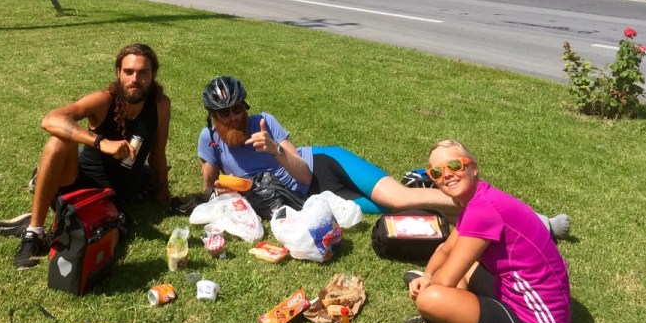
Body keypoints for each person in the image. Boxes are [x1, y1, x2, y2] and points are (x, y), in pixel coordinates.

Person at [197, 76, 461, 217]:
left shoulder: (264, 122)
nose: (232, 117)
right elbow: (210, 188)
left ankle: (472, 200)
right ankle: (431, 194)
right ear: (213, 115)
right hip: (311, 199)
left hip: (324, 164)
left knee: (397, 199)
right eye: (224, 113)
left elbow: (304, 174)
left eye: (236, 108)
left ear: (245, 105)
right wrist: (218, 191)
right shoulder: (209, 140)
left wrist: (275, 149)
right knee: (393, 209)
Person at [13, 43, 172, 269]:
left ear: (152, 74)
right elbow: (50, 120)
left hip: (115, 197)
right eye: (128, 72)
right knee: (58, 141)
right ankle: (34, 232)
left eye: (143, 72)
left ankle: (49, 197)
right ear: (118, 73)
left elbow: (157, 155)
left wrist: (165, 197)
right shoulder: (104, 100)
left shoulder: (160, 105)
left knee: (100, 240)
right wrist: (101, 142)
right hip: (79, 183)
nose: (135, 79)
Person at [405, 139, 570, 323]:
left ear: (473, 168)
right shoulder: (478, 199)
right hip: (518, 294)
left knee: (430, 299)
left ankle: (445, 321)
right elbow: (447, 249)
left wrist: (429, 289)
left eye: (455, 166)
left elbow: (446, 280)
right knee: (460, 265)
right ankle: (453, 312)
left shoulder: (482, 209)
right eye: (436, 172)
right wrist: (427, 276)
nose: (446, 175)